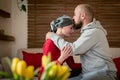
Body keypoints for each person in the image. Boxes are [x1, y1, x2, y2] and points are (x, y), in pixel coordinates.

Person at [46, 4, 118, 80]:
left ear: (83, 16)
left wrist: (52, 36)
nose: (73, 18)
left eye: (75, 14)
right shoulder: (89, 31)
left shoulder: (93, 32)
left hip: (103, 74)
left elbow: (73, 49)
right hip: (90, 73)